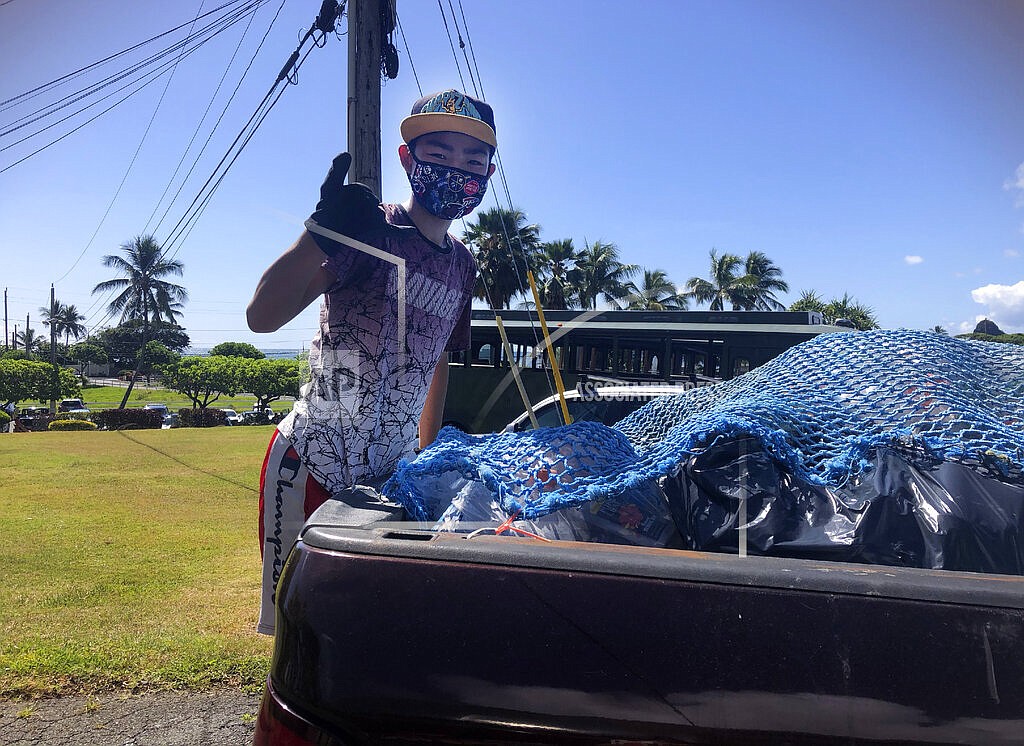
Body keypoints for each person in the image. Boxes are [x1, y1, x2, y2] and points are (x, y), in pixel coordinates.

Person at [247, 89, 496, 635]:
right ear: (409, 160)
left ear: (488, 173)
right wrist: (319, 234)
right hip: (313, 462)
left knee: (366, 627)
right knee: (299, 629)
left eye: (472, 160)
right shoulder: (370, 230)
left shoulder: (463, 265)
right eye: (439, 153)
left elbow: (440, 362)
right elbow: (262, 316)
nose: (456, 169)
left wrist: (426, 459)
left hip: (391, 477)